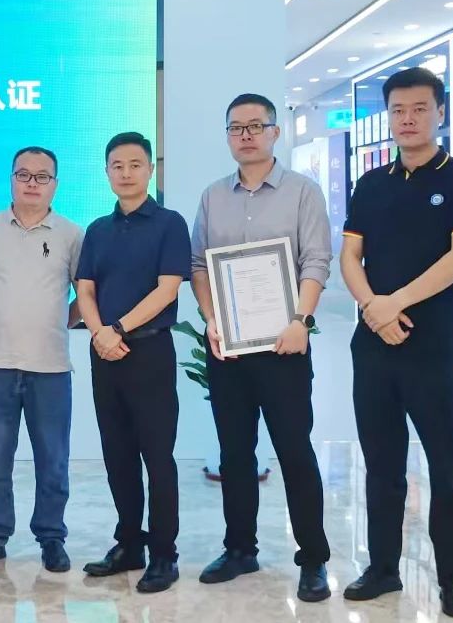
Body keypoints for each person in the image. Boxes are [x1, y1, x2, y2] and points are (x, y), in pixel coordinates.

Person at [340, 67, 453, 619]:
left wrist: (392, 303)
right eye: (398, 110)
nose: (407, 119)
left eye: (419, 109)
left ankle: (452, 578)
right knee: (381, 465)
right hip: (374, 348)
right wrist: (372, 309)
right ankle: (382, 568)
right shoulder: (371, 183)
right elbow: (349, 257)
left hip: (435, 350)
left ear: (440, 113)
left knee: (446, 467)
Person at [190, 94, 333, 602]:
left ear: (275, 132)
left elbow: (316, 261)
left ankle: (313, 557)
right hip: (229, 349)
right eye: (236, 127)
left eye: (256, 125)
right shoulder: (213, 197)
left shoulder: (302, 192)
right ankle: (240, 549)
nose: (246, 135)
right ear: (228, 136)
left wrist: (301, 320)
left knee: (294, 452)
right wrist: (212, 320)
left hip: (284, 347)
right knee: (235, 453)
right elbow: (200, 265)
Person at [76, 132, 191, 594]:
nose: (126, 173)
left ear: (150, 170)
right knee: (117, 454)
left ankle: (164, 554)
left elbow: (168, 289)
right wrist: (99, 334)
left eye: (135, 164)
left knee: (157, 457)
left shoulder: (169, 223)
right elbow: (85, 289)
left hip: (149, 351)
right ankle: (129, 545)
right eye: (117, 166)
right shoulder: (97, 230)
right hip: (104, 353)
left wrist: (117, 329)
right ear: (107, 172)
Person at [0, 146, 83, 573]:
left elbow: (85, 294)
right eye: (23, 174)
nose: (32, 183)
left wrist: (62, 322)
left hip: (52, 369)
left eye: (42, 176)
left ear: (55, 185)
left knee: (54, 462)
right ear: (11, 179)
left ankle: (51, 538)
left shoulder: (71, 234)